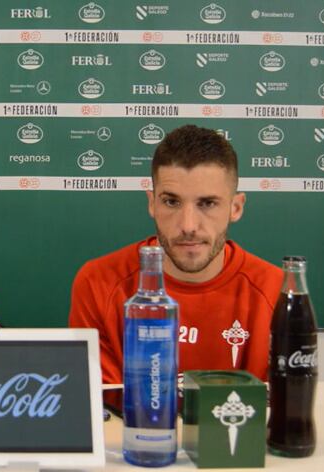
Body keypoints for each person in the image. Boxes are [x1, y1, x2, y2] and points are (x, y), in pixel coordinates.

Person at [69, 124, 283, 384]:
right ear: (152, 203)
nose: (188, 226)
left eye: (208, 203)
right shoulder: (98, 283)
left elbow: (276, 412)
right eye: (171, 202)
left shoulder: (277, 290)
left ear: (236, 208)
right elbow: (106, 412)